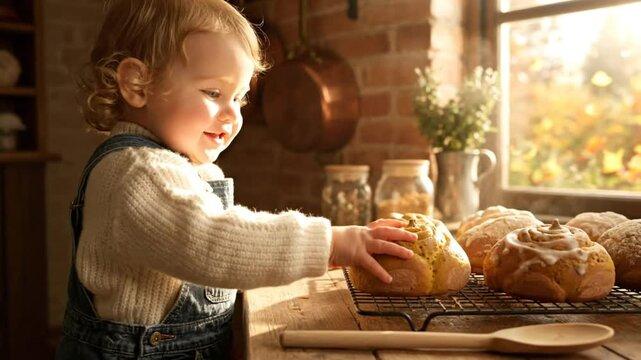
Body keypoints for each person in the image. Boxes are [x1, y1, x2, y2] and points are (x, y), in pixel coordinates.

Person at [56, 1, 417, 358]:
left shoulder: (180, 166)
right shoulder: (137, 172)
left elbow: (226, 236)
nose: (232, 115)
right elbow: (211, 241)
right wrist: (331, 242)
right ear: (138, 85)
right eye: (213, 93)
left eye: (239, 98)